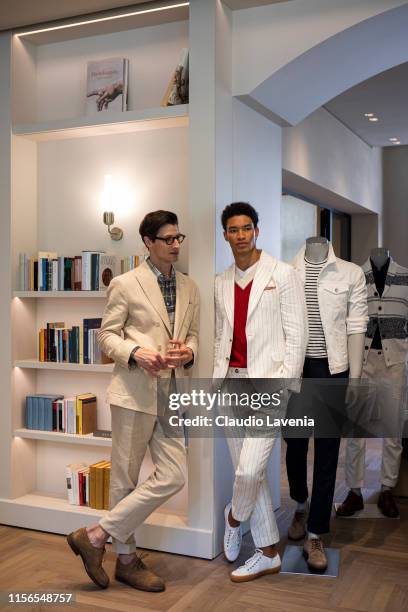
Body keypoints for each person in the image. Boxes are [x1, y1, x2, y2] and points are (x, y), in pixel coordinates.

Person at [67, 210, 199, 592]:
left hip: (173, 393)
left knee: (174, 475)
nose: (176, 245)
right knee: (124, 480)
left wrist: (187, 352)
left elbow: (193, 337)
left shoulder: (190, 287)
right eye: (168, 239)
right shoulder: (125, 284)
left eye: (179, 238)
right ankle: (126, 559)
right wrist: (137, 352)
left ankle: (94, 536)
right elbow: (106, 337)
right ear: (148, 242)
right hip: (133, 391)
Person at [213, 202, 307, 582]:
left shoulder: (282, 274)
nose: (240, 235)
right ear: (225, 235)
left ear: (257, 231)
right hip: (231, 382)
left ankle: (234, 517)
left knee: (251, 468)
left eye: (247, 228)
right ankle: (268, 553)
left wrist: (287, 383)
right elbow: (222, 334)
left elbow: (296, 333)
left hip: (269, 385)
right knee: (246, 471)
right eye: (233, 229)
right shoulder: (220, 281)